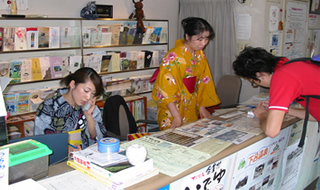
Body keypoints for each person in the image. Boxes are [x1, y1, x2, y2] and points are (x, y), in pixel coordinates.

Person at [232, 46, 320, 139]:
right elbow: (315, 115)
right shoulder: (293, 66)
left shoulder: (282, 76)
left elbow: (271, 131)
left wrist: (262, 114)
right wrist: (286, 110)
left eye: (254, 83)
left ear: (259, 74)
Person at [152, 17, 220, 130]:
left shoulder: (199, 54)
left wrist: (202, 107)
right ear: (187, 36)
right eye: (199, 39)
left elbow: (204, 81)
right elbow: (166, 89)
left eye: (206, 38)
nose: (204, 43)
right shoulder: (174, 56)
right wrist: (176, 115)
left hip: (191, 102)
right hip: (173, 107)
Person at [34, 67, 107, 150]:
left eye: (93, 94)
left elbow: (96, 137)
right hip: (59, 158)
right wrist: (67, 149)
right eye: (86, 91)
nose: (88, 97)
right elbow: (41, 142)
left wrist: (89, 116)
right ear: (72, 84)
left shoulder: (89, 105)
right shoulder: (49, 107)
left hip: (86, 155)